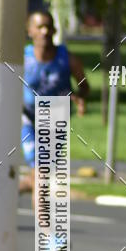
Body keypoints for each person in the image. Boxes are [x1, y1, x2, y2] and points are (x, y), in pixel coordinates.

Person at [21, 11, 88, 205]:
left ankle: (10, 190)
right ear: (30, 31)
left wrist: (78, 97)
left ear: (55, 30)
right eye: (40, 27)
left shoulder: (68, 59)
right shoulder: (22, 57)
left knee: (38, 177)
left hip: (56, 122)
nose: (45, 32)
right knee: (41, 175)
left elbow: (84, 87)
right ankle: (47, 232)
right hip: (27, 120)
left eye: (49, 27)